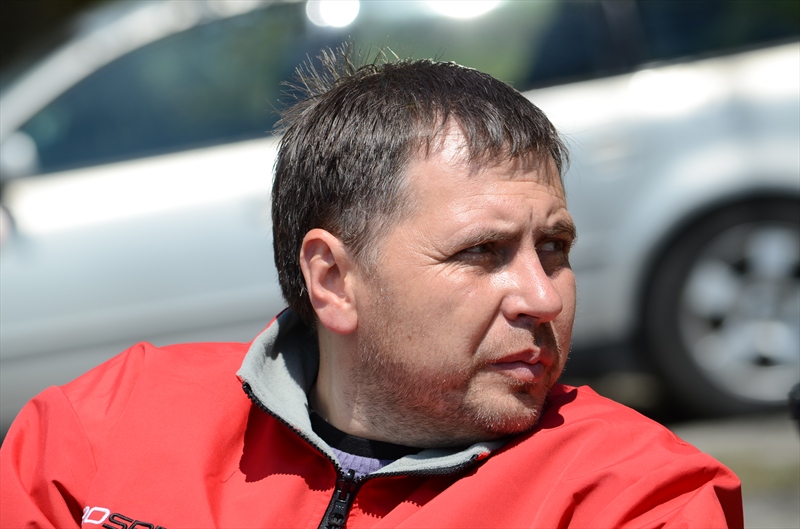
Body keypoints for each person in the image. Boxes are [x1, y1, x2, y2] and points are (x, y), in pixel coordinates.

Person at [0, 48, 742, 529]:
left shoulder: (635, 497)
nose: (542, 298)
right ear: (333, 279)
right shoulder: (98, 430)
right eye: (482, 252)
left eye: (554, 249)